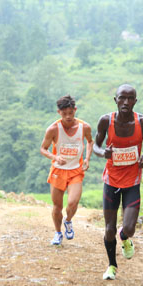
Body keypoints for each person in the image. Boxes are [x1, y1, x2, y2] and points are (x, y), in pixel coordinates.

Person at [93, 84, 143, 280]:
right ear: (116, 100)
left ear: (135, 101)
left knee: (128, 228)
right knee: (109, 229)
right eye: (122, 98)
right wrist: (104, 153)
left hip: (132, 181)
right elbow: (95, 145)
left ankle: (125, 238)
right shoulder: (106, 121)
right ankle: (112, 266)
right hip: (111, 181)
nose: (126, 102)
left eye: (130, 98)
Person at [40, 95, 93, 245]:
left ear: (75, 110)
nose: (68, 117)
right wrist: (54, 157)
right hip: (58, 171)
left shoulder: (84, 127)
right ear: (59, 112)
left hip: (76, 170)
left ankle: (68, 221)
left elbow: (90, 142)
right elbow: (43, 149)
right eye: (64, 114)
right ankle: (57, 233)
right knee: (57, 206)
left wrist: (87, 158)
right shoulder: (53, 129)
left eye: (71, 113)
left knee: (73, 202)